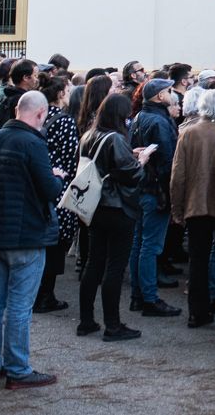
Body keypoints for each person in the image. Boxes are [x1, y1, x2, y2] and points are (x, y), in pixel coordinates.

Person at [0, 90, 65, 389]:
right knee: (18, 306)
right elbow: (50, 191)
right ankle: (17, 369)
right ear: (40, 114)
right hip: (25, 235)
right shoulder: (32, 142)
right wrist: (58, 177)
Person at [77, 93, 151, 341]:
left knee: (94, 262)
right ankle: (113, 325)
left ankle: (86, 320)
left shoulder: (89, 135)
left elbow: (106, 166)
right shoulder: (115, 138)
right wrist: (140, 161)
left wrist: (131, 154)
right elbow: (130, 175)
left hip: (95, 205)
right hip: (117, 207)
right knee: (115, 266)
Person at [169, 82, 215, 329]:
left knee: (198, 260)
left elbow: (178, 175)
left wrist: (177, 208)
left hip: (196, 204)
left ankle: (197, 312)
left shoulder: (189, 133)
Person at [128, 78, 180, 317]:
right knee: (149, 245)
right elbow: (168, 162)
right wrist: (170, 193)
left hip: (142, 188)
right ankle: (148, 298)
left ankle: (139, 296)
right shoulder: (159, 121)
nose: (172, 94)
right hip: (154, 190)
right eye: (169, 91)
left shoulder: (140, 116)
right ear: (160, 97)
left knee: (140, 242)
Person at [34, 76, 78, 313]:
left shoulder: (40, 115)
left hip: (40, 182)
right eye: (68, 90)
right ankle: (45, 296)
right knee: (56, 244)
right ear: (61, 93)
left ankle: (38, 293)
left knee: (43, 244)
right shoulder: (65, 121)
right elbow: (71, 159)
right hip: (59, 187)